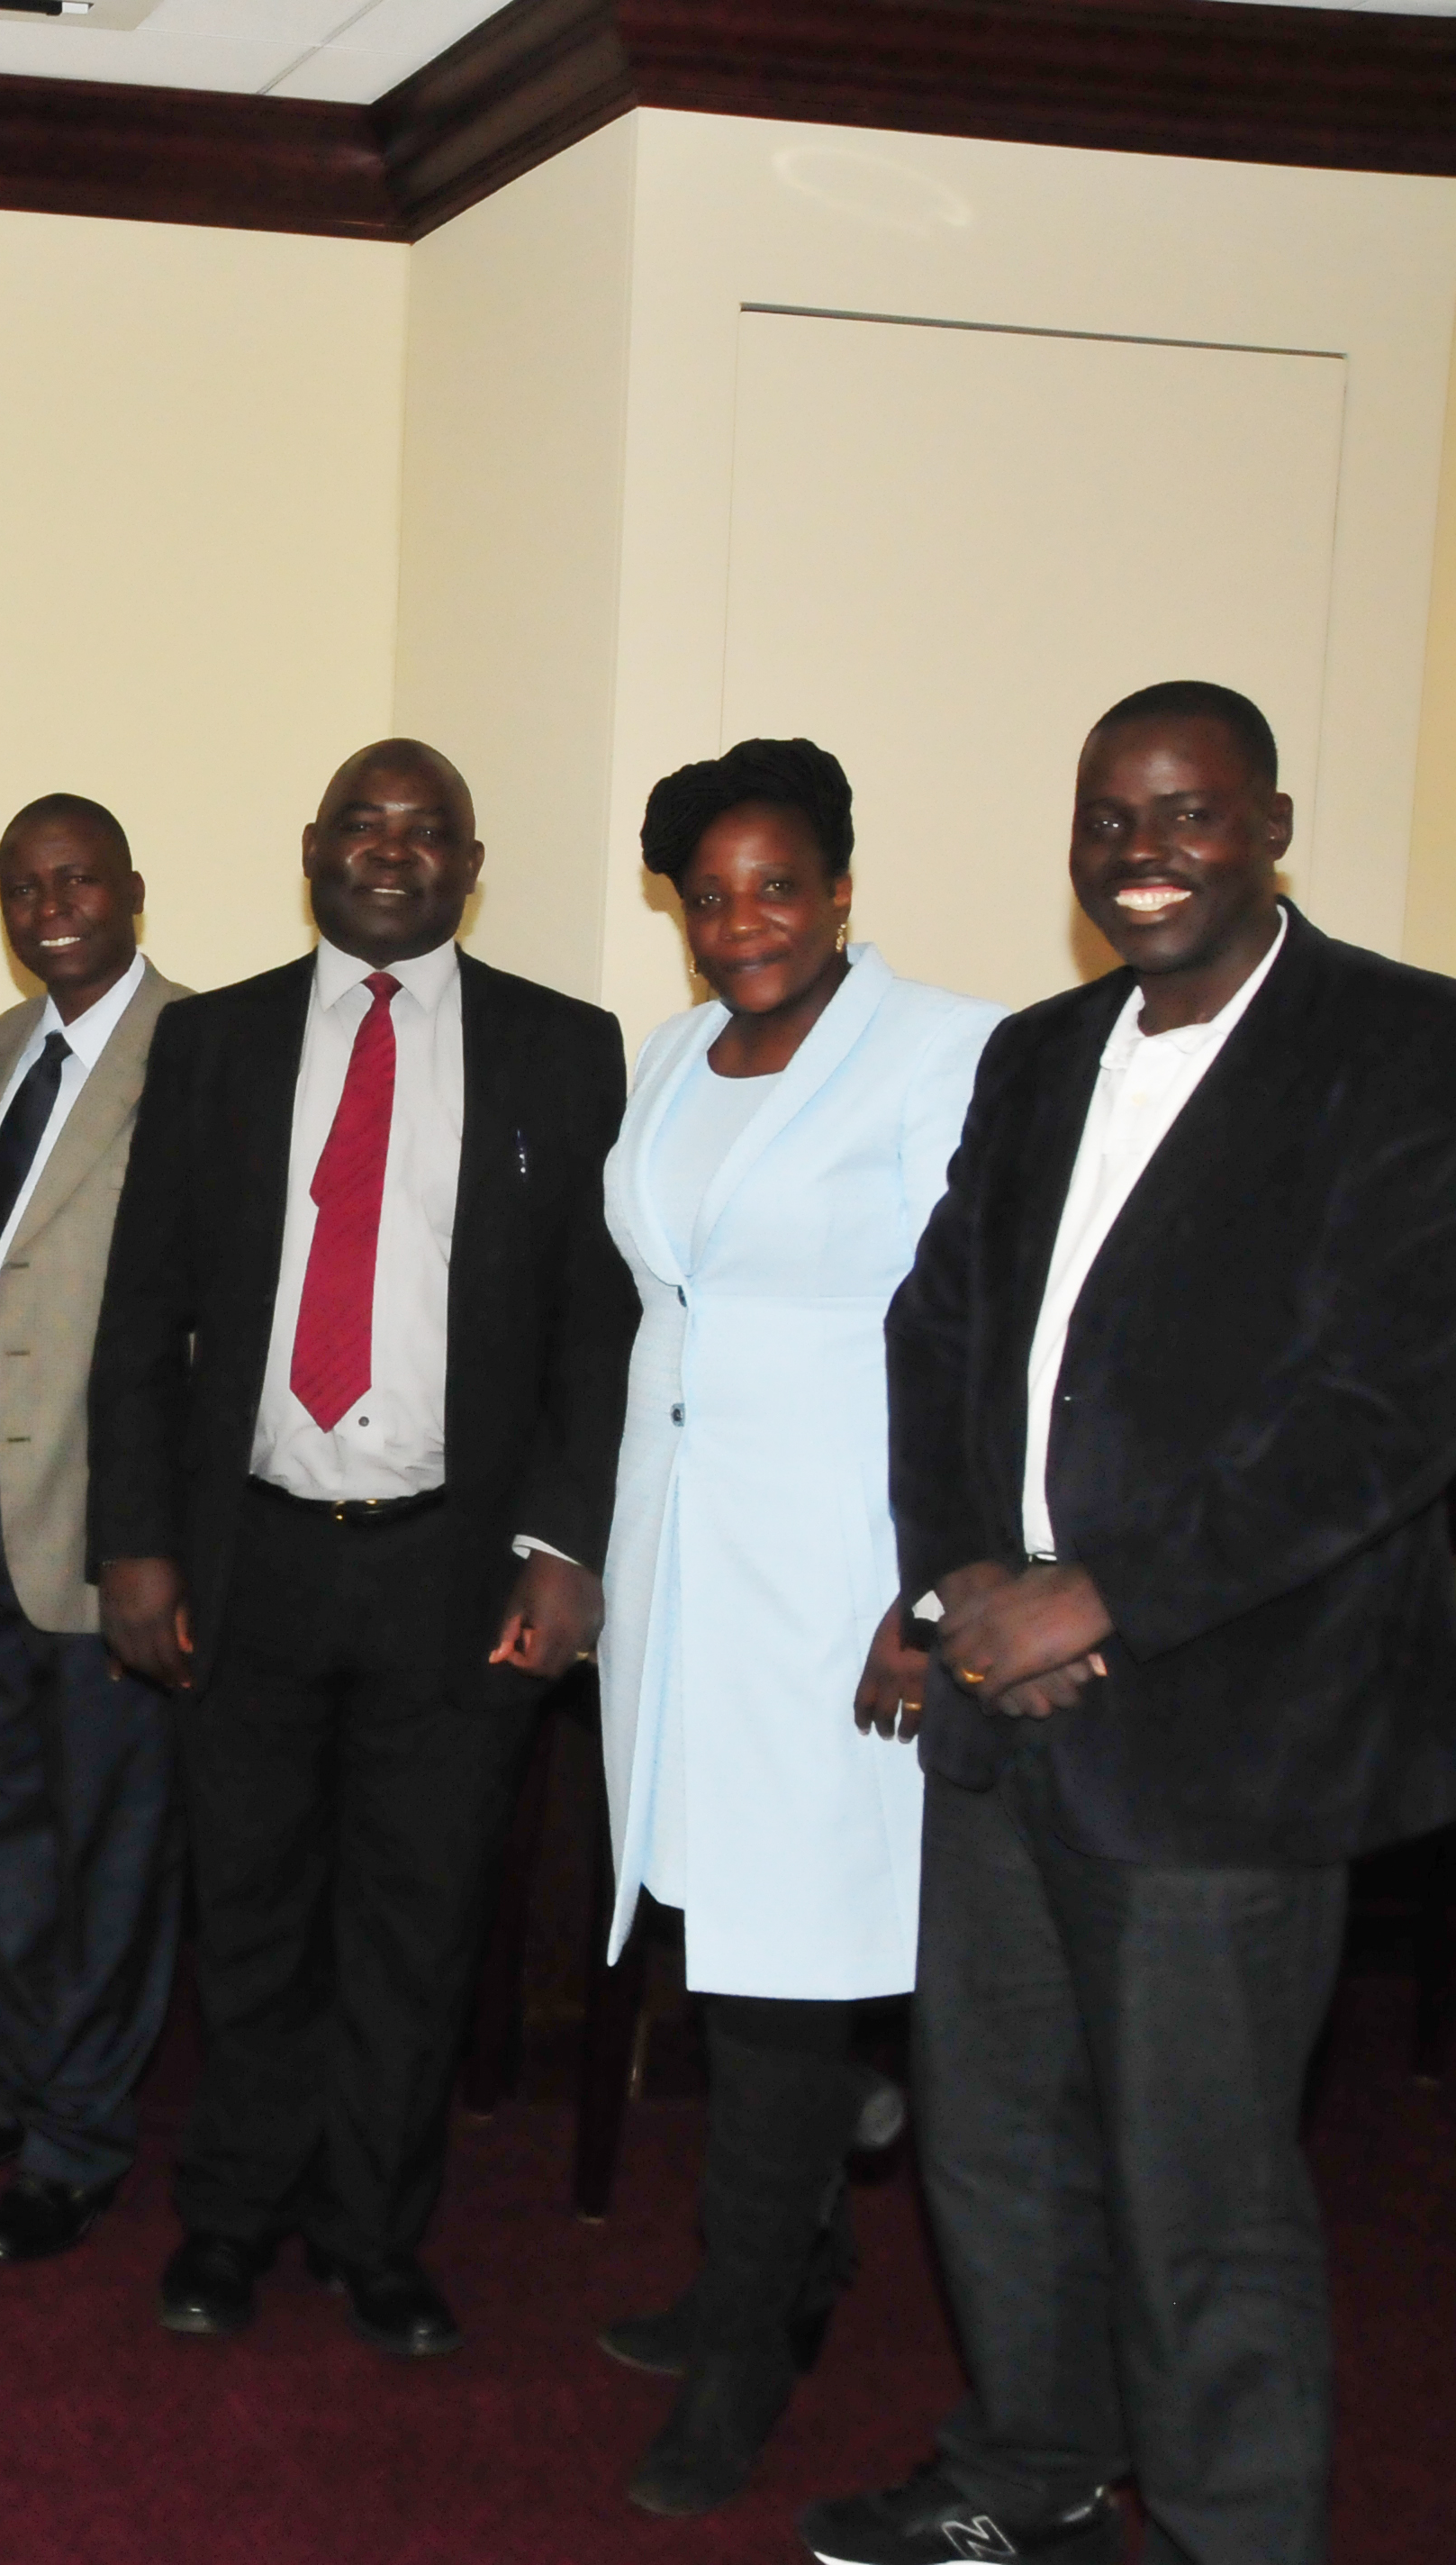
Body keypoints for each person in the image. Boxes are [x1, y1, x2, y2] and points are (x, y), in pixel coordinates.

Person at [804, 683, 1456, 2565]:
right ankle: (1028, 2466)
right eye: (1105, 817)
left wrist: (1107, 1593)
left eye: (1181, 812)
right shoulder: (1037, 1051)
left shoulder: (1398, 1047)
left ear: (1263, 820)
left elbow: (1385, 1401)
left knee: (1201, 2184)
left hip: (1223, 1732)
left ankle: (1237, 2527)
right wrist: (955, 1583)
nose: (1138, 851)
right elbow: (935, 1326)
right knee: (990, 2129)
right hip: (997, 1700)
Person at [92, 739, 633, 2358]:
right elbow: (142, 1313)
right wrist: (134, 1543)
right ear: (310, 846)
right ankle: (234, 2218)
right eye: (362, 827)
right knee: (249, 1910)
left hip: (452, 1573)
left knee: (418, 1920)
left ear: (473, 864)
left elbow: (591, 1336)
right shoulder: (215, 1042)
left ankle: (378, 2236)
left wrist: (562, 1544)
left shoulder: (562, 1048)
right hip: (248, 1556)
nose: (390, 854)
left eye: (427, 833)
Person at [581, 740, 999, 2515]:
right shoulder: (670, 1055)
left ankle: (746, 2350)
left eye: (776, 882)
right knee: (719, 1938)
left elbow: (979, 1342)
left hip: (839, 1590)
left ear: (836, 885)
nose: (742, 917)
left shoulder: (943, 1050)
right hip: (676, 1572)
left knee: (779, 1984)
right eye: (707, 890)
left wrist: (927, 1588)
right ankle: (786, 2259)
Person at [0, 795, 189, 2261]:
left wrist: (163, 1534)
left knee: (108, 1844)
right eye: (25, 886)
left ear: (132, 890)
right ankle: (11, 2089)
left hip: (101, 1509)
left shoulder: (195, 1051)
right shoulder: (0, 1056)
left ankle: (81, 2138)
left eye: (77, 880)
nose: (50, 904)